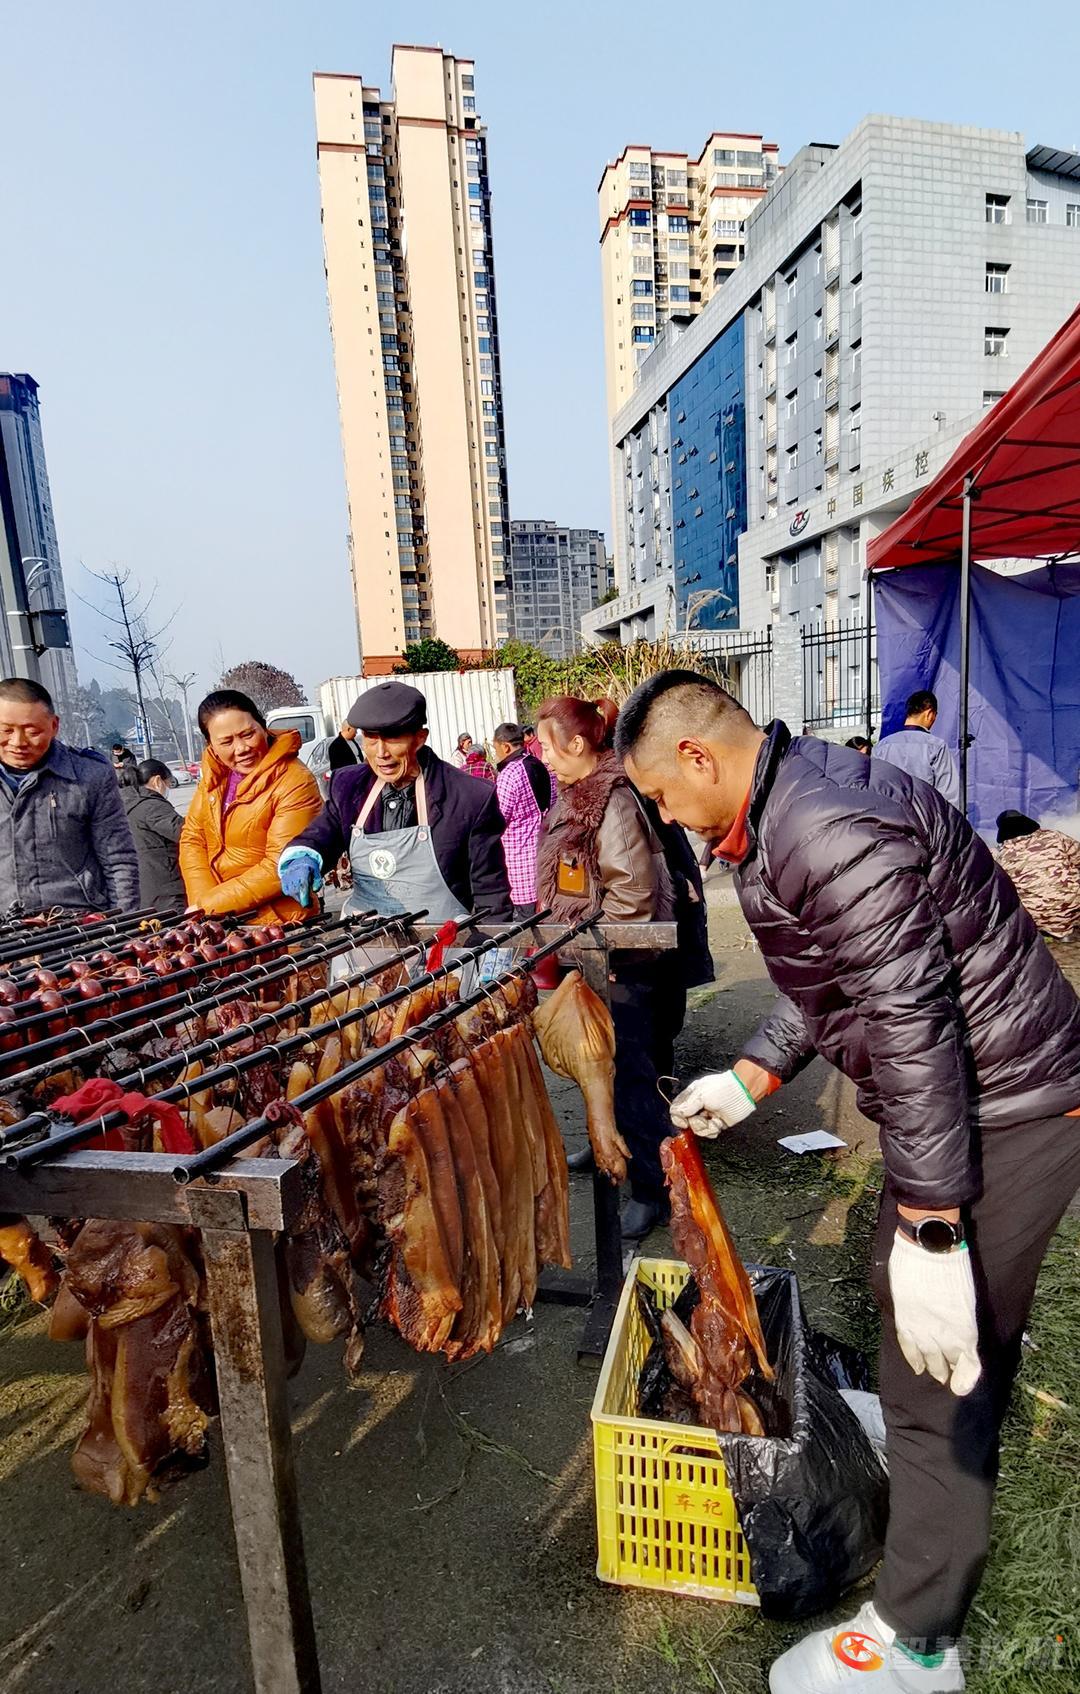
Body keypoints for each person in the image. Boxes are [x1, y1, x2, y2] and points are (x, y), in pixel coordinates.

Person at [615, 671, 1080, 1694]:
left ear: (697, 756)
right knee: (905, 1310)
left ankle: (919, 1641)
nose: (665, 815)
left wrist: (934, 1226)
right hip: (984, 1098)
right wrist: (753, 1073)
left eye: (659, 795)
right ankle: (920, 1459)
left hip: (1008, 1106)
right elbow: (837, 979)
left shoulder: (820, 826)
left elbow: (911, 1024)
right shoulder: (789, 802)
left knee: (940, 1366)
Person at [535, 694, 710, 1242]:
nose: (542, 756)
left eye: (547, 746)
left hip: (623, 962)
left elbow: (632, 895)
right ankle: (606, 1139)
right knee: (602, 1065)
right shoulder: (576, 794)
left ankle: (652, 1189)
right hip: (592, 954)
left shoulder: (611, 801)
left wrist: (597, 948)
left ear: (577, 744)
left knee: (634, 1075)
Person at [278, 681, 512, 923]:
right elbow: (321, 835)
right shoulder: (349, 787)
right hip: (365, 939)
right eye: (371, 739)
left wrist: (493, 943)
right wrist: (303, 857)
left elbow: (491, 895)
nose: (381, 753)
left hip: (444, 941)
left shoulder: (468, 797)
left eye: (392, 738)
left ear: (419, 738)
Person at [180, 689, 323, 922]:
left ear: (263, 727)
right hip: (221, 919)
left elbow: (278, 864)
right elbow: (193, 838)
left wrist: (209, 906)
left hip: (277, 921)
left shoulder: (295, 781)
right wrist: (203, 902)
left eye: (247, 734)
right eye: (226, 741)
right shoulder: (214, 777)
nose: (241, 748)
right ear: (210, 745)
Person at [0, 677, 140, 915]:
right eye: (6, 730)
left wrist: (123, 924)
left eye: (32, 731)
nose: (18, 742)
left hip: (79, 923)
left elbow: (118, 859)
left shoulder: (89, 775)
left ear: (54, 726)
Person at [492, 721, 552, 918]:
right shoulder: (540, 766)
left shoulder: (510, 774)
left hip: (521, 868)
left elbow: (498, 819)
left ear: (505, 747)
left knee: (527, 930)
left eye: (495, 748)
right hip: (545, 859)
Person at [995, 808, 1080, 941]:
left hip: (1035, 918)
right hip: (1073, 910)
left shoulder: (1001, 855)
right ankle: (1064, 929)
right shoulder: (1055, 836)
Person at [118, 759, 186, 912]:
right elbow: (186, 834)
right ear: (157, 781)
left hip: (138, 890)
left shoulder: (123, 805)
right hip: (166, 890)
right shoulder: (152, 806)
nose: (168, 788)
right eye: (168, 783)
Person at [874, 689, 960, 807]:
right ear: (929, 713)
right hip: (925, 814)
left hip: (889, 814)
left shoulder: (881, 747)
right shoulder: (936, 746)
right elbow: (948, 794)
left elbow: (875, 788)